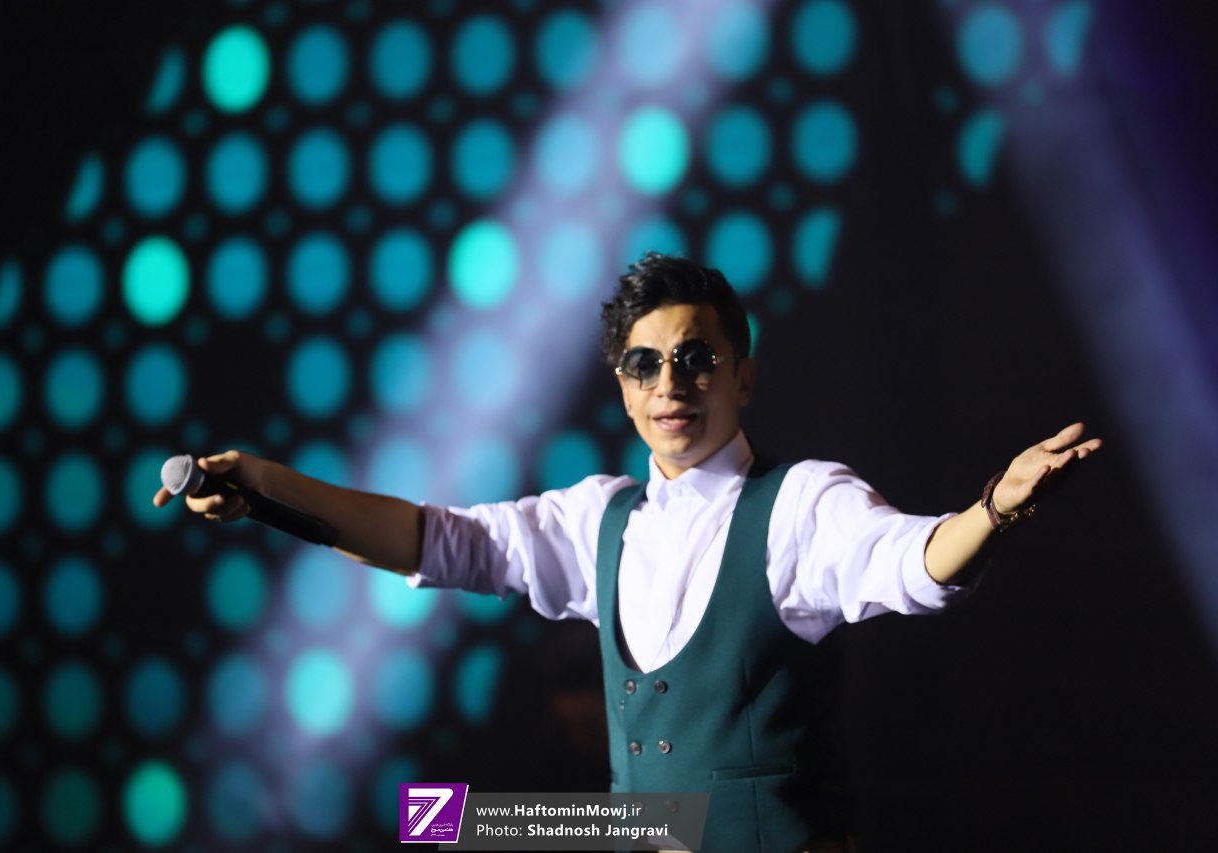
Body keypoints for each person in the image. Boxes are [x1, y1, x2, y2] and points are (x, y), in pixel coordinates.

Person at [154, 253, 1101, 851]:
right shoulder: (595, 518)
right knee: (439, 821)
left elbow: (913, 561)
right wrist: (268, 487)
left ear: (743, 375)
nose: (670, 383)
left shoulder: (801, 503)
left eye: (697, 358)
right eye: (645, 364)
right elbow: (429, 540)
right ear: (622, 386)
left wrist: (993, 510)